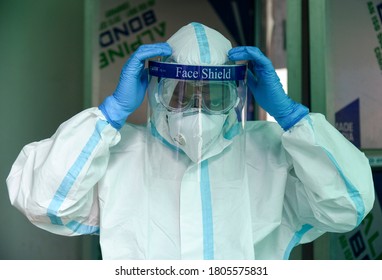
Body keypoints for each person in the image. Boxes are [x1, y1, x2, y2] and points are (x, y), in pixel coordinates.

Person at [6, 22, 375, 260]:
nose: (198, 108)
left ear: (236, 95)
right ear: (156, 93)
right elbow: (44, 200)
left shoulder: (271, 151)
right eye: (181, 93)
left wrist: (294, 119)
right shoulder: (119, 154)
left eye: (214, 94)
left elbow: (349, 204)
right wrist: (108, 116)